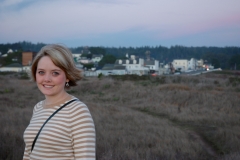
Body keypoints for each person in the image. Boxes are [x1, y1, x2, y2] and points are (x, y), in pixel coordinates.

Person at [23, 44, 96, 159]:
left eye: (55, 73)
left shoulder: (78, 111)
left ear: (67, 76)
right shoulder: (38, 108)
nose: (46, 79)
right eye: (41, 72)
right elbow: (28, 154)